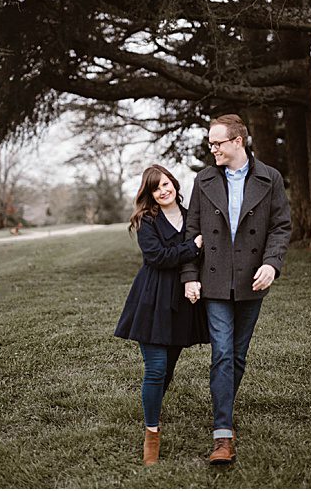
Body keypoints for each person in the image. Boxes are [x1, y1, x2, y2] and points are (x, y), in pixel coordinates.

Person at [179, 114, 291, 464]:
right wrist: (189, 274)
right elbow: (191, 228)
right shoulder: (204, 179)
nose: (212, 148)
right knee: (223, 353)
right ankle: (222, 434)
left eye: (217, 143)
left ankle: (222, 401)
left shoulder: (269, 177)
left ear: (238, 142)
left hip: (250, 280)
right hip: (212, 281)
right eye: (210, 143)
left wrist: (271, 264)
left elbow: (281, 227)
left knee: (237, 356)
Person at [113, 164, 206, 465]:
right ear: (149, 194)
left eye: (166, 184)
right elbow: (156, 257)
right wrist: (191, 249)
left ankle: (152, 404)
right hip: (152, 298)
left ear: (175, 185)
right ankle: (151, 431)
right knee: (154, 368)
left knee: (167, 369)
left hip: (181, 301)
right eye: (156, 188)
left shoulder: (194, 217)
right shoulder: (147, 220)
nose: (164, 190)